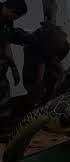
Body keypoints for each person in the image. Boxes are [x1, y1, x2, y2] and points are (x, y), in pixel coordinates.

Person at [0, 0, 33, 143]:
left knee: (3, 93)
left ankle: (1, 132)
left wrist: (14, 67)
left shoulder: (7, 22)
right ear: (9, 8)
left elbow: (6, 44)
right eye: (14, 16)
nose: (14, 20)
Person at [23, 22, 70, 107]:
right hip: (34, 50)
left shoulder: (62, 44)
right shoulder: (38, 47)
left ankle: (50, 98)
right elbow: (39, 71)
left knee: (58, 76)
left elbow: (59, 68)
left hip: (51, 48)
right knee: (34, 83)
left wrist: (62, 75)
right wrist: (38, 86)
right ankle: (36, 103)